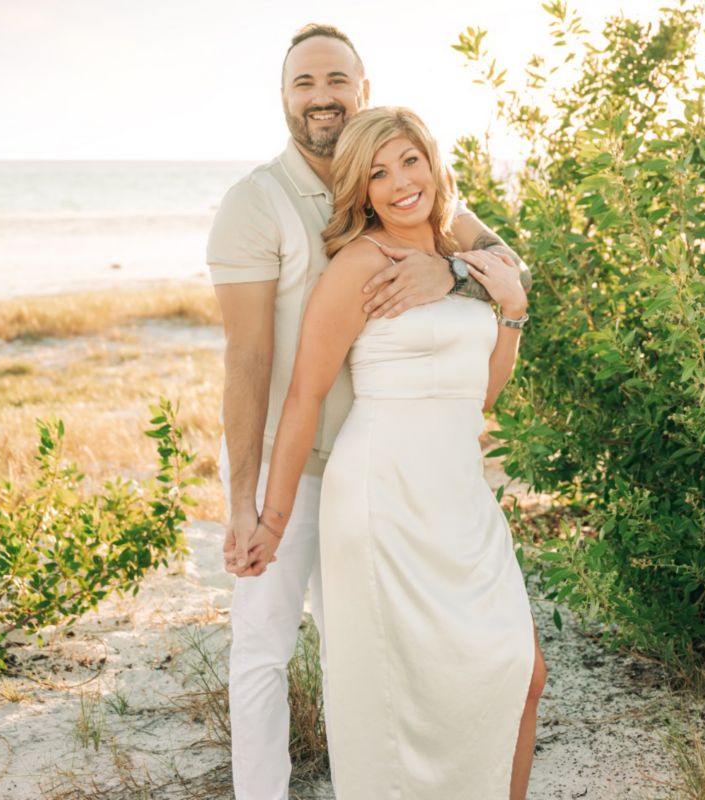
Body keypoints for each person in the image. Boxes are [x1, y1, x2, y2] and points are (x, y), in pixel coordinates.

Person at [207, 23, 544, 800]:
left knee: (393, 659)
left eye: (336, 80)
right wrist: (252, 506)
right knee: (268, 648)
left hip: (432, 476)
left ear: (363, 90)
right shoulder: (260, 204)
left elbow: (507, 274)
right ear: (284, 96)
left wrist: (451, 274)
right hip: (298, 457)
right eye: (303, 82)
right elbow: (253, 362)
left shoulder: (430, 210)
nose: (321, 96)